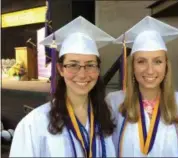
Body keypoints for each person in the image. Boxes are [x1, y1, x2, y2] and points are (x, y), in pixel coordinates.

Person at [106, 16, 178, 157]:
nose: (149, 70)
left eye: (157, 61)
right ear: (132, 67)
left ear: (166, 66)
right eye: (141, 61)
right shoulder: (114, 104)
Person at [10, 16, 116, 157]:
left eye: (90, 65)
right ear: (60, 69)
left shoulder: (105, 118)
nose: (83, 74)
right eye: (73, 65)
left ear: (98, 70)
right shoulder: (34, 124)